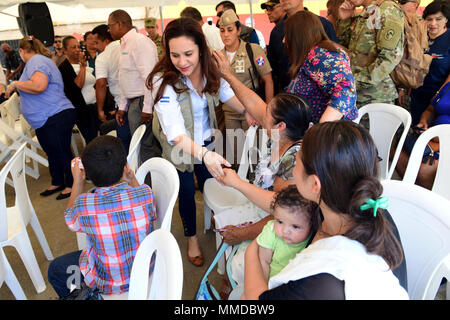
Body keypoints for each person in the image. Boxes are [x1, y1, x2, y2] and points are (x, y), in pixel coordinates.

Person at [243, 120, 409, 300]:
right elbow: (278, 204)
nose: (294, 171)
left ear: (315, 184)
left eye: (296, 163)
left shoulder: (318, 285)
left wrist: (251, 253)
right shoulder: (368, 210)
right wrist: (237, 183)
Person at [148, 17, 257, 267]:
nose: (182, 62)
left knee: (211, 182)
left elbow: (228, 95)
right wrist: (205, 156)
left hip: (206, 141)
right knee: (186, 192)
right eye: (175, 55)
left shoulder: (209, 70)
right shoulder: (162, 81)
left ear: (201, 48)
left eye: (188, 54)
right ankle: (192, 238)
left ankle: (211, 220)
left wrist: (248, 112)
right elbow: (175, 134)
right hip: (181, 148)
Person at [47, 136, 157, 298]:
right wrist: (132, 178)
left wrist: (77, 181)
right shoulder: (145, 193)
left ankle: (89, 295)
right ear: (125, 166)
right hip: (146, 271)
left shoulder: (85, 205)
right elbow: (151, 210)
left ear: (89, 175)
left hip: (107, 284)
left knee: (56, 269)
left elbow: (70, 220)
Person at [5, 36, 75, 200]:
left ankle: (72, 184)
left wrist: (15, 84)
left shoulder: (37, 61)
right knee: (53, 152)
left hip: (54, 114)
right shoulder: (36, 62)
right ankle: (58, 181)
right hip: (46, 117)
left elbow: (38, 85)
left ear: (22, 51)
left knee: (62, 151)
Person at [284, 11, 357, 123]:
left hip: (330, 136)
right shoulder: (311, 55)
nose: (284, 40)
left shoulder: (320, 55)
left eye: (287, 35)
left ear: (299, 36)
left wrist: (321, 130)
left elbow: (347, 90)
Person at [108, 9, 160, 163]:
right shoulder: (124, 44)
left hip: (143, 101)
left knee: (145, 146)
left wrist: (147, 108)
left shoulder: (139, 42)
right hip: (133, 103)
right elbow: (125, 77)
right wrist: (123, 106)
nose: (109, 30)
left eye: (110, 26)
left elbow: (150, 77)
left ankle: (151, 183)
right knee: (139, 146)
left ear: (119, 24)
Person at [337, 0, 405, 108]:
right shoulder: (365, 12)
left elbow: (390, 56)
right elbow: (344, 48)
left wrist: (357, 81)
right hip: (356, 93)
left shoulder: (387, 9)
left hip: (376, 97)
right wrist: (344, 20)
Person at [218, 10, 274, 140]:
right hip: (230, 111)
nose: (226, 34)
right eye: (222, 30)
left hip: (253, 108)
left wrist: (268, 110)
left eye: (230, 30)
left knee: (254, 154)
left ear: (238, 30)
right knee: (235, 155)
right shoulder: (219, 56)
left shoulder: (253, 50)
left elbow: (268, 79)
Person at [267, 0, 338, 95]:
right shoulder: (277, 31)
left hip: (320, 96)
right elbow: (274, 67)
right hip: (289, 96)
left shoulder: (323, 24)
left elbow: (335, 60)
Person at [396, 73, 450, 190]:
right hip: (432, 136)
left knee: (423, 169)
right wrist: (424, 121)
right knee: (398, 155)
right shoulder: (447, 85)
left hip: (442, 141)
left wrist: (436, 143)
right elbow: (431, 109)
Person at [256, 185, 314, 281]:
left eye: (295, 226)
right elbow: (263, 262)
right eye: (280, 221)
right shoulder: (271, 232)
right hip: (273, 283)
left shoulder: (315, 238)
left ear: (311, 224)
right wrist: (265, 288)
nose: (285, 231)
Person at [91, 24, 131, 151]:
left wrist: (100, 110)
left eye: (97, 43)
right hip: (139, 101)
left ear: (106, 40)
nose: (95, 46)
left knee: (124, 142)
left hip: (121, 104)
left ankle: (129, 168)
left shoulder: (102, 57)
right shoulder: (126, 47)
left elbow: (101, 84)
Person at [409, 0, 450, 125]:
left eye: (438, 19)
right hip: (415, 95)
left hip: (440, 98)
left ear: (446, 20)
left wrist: (436, 98)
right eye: (429, 19)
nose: (433, 24)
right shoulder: (419, 36)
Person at [59, 36, 98, 145]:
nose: (77, 50)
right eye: (73, 47)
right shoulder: (64, 68)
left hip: (94, 106)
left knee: (98, 137)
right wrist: (82, 67)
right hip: (82, 111)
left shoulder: (84, 63)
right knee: (92, 141)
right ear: (65, 50)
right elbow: (77, 87)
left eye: (78, 47)